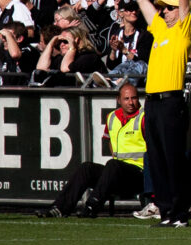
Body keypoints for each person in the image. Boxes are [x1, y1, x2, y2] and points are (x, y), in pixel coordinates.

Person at [132, 0, 191, 228]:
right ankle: (167, 210)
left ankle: (180, 212)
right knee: (156, 158)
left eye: (169, 10)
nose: (165, 12)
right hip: (154, 101)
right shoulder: (159, 29)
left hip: (171, 101)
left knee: (173, 158)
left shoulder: (182, 31)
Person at [36, 83, 146, 218]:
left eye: (134, 98)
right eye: (126, 99)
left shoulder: (144, 117)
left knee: (112, 165)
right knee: (86, 168)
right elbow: (110, 140)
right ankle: (60, 208)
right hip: (117, 172)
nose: (131, 102)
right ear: (119, 100)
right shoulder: (112, 117)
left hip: (139, 173)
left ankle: (91, 206)